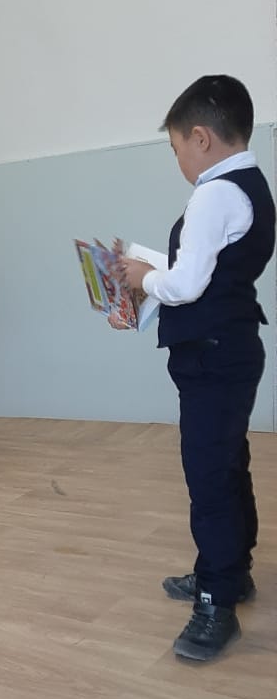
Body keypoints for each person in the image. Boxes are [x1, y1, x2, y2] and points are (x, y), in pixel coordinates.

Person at [117, 74, 274, 662]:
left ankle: (216, 602)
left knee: (209, 478)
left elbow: (185, 284)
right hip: (229, 346)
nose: (179, 159)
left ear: (201, 138)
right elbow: (207, 274)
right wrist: (152, 282)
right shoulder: (249, 185)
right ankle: (230, 572)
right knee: (227, 465)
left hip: (213, 353)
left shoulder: (215, 193)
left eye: (177, 146)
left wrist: (143, 277)